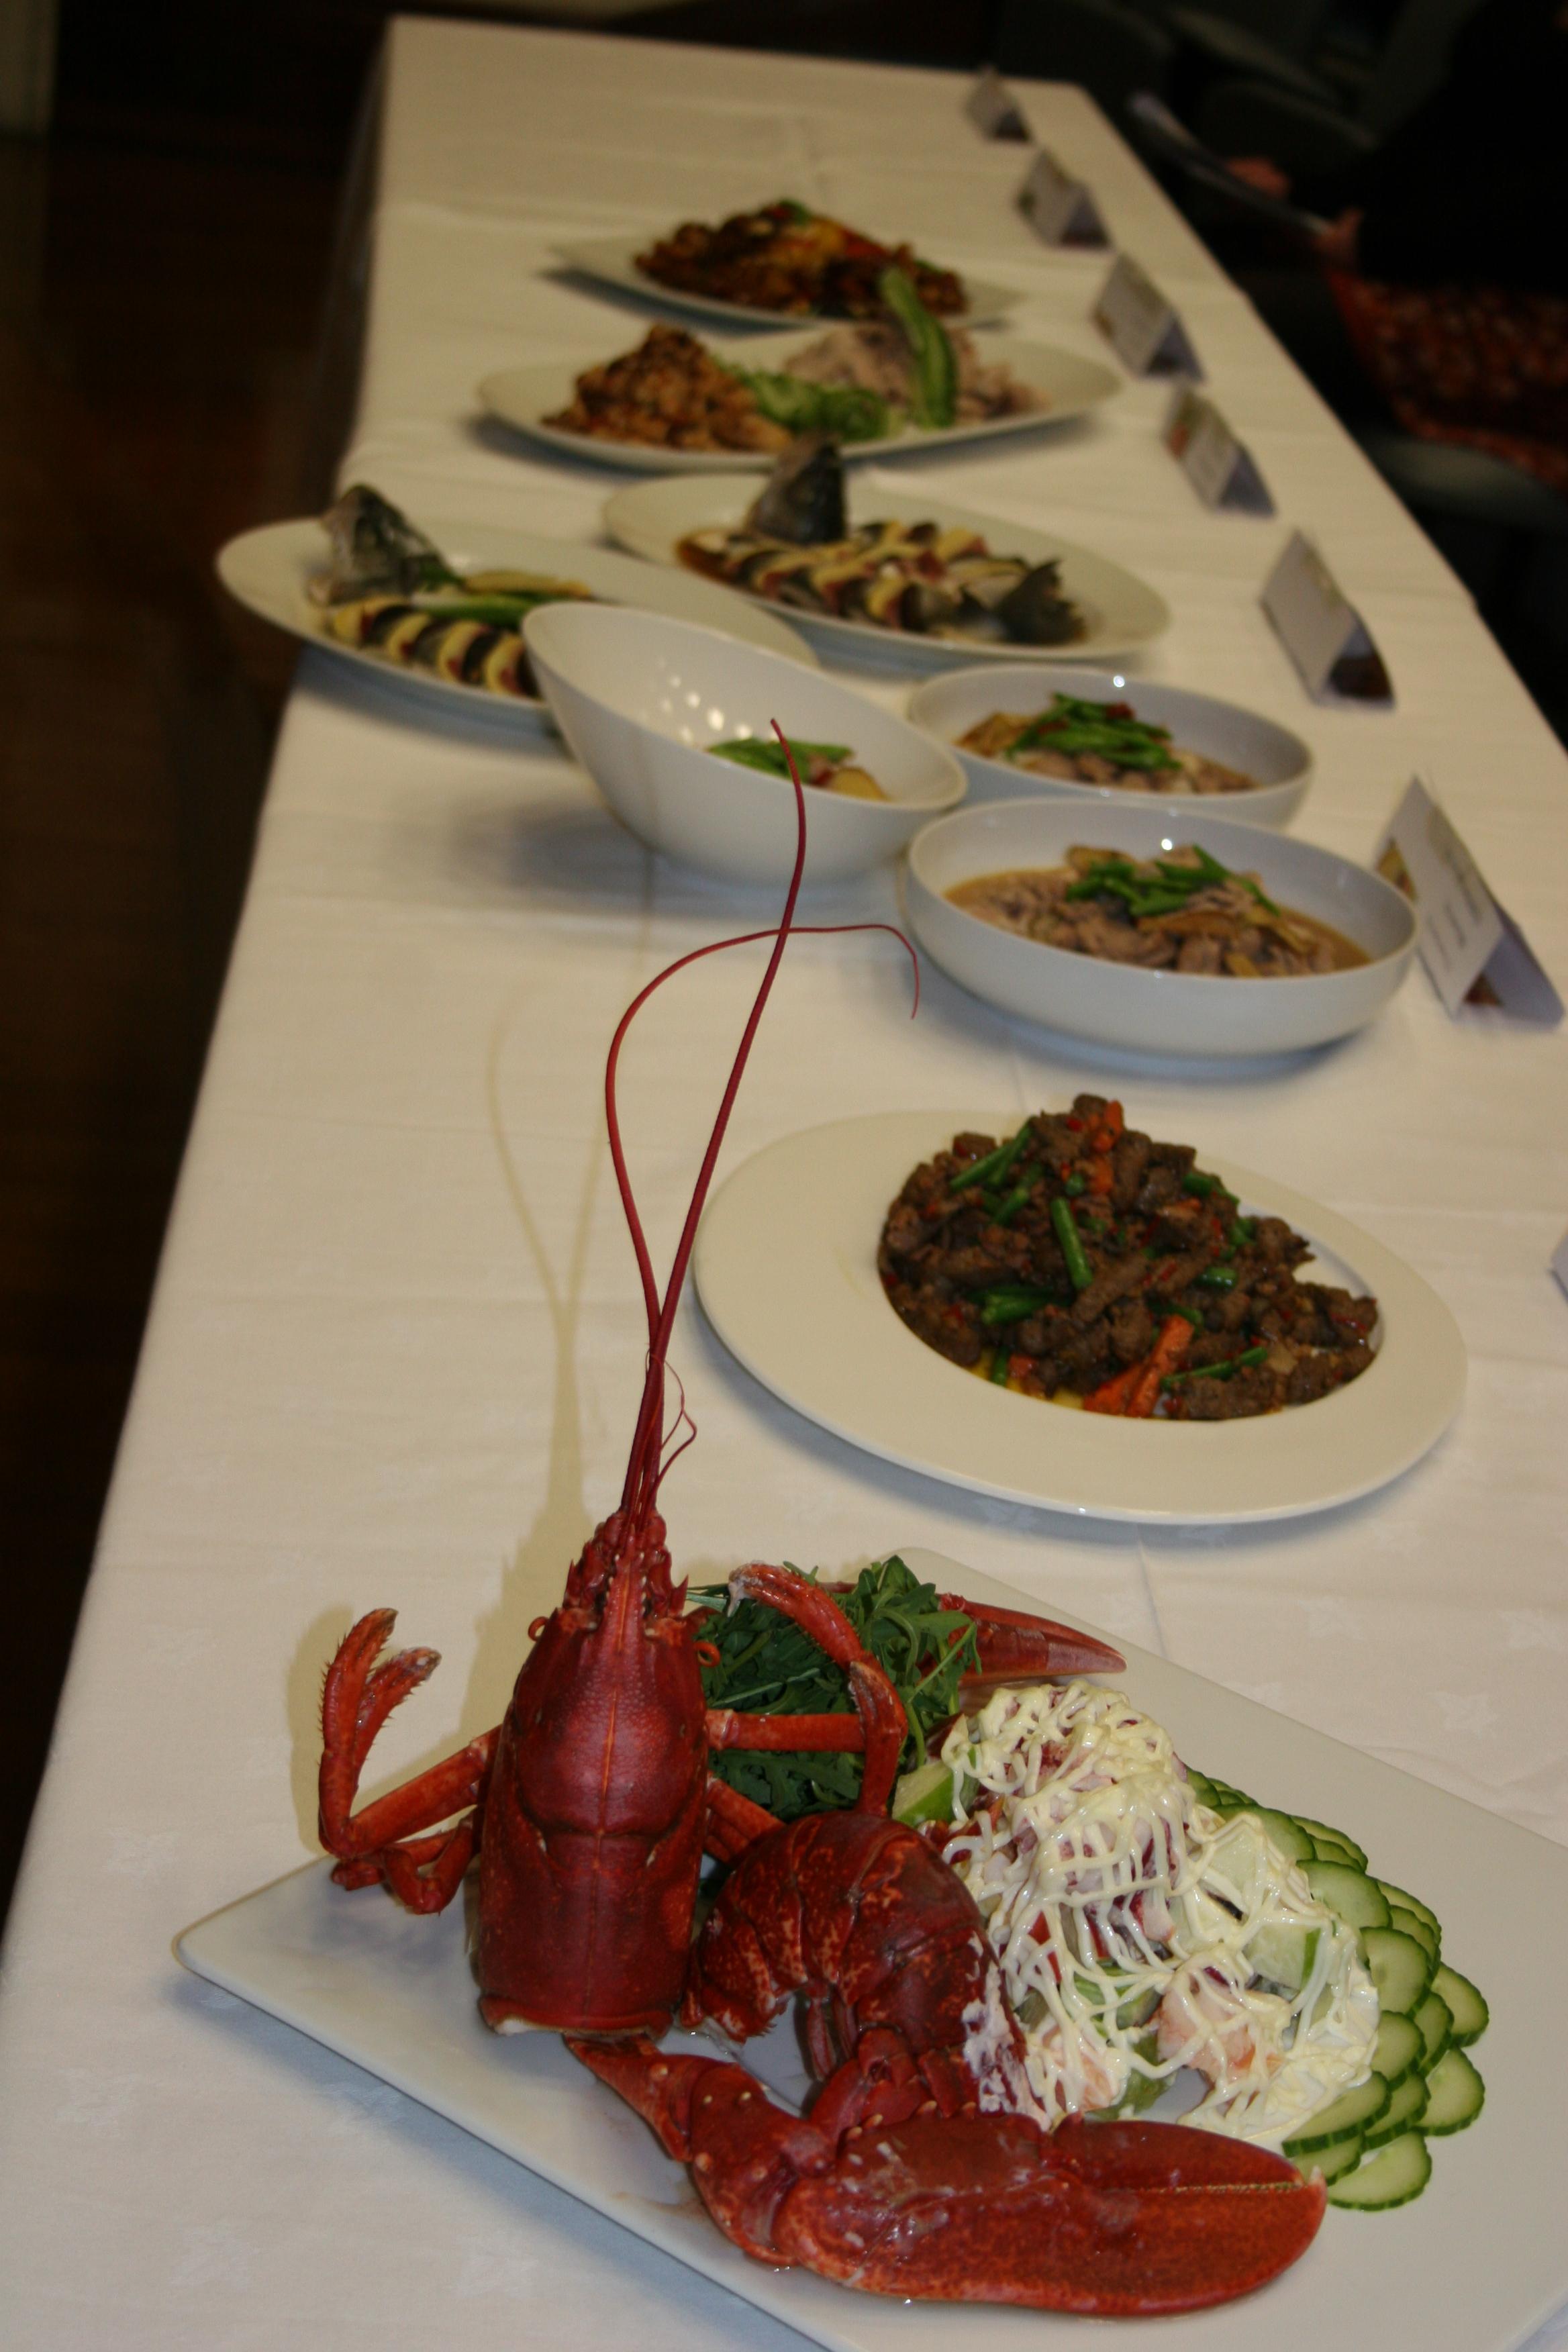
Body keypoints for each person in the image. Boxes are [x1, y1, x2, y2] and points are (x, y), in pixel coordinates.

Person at [1226, 0, 1568, 491]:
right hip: (1431, 253)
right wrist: (1304, 192)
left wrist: (1384, 244)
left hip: (1526, 320)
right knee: (1212, 253)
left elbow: (1539, 213)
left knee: (1236, 310)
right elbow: (1453, 123)